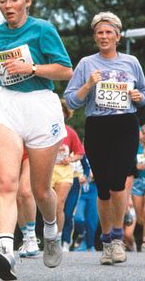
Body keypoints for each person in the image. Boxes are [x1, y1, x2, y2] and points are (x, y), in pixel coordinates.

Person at [0, 0, 73, 280]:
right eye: (2, 1)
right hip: (5, 104)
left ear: (27, 1)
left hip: (41, 105)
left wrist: (32, 67)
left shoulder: (43, 30)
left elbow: (66, 71)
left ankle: (51, 231)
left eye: (13, 0)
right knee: (7, 183)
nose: (8, 6)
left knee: (41, 190)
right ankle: (6, 251)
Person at [64, 11, 145, 265]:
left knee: (118, 181)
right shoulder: (86, 64)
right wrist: (88, 85)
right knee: (102, 186)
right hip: (97, 125)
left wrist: (138, 96)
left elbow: (144, 94)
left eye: (108, 32)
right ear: (95, 36)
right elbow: (71, 101)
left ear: (117, 36)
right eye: (99, 32)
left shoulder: (131, 62)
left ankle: (117, 238)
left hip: (124, 124)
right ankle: (106, 242)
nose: (104, 36)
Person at [53, 100, 84, 252]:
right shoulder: (44, 130)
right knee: (48, 207)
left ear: (66, 114)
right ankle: (49, 235)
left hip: (65, 172)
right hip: (48, 171)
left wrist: (70, 159)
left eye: (61, 111)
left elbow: (80, 153)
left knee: (59, 206)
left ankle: (59, 238)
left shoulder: (70, 132)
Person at [132, 124, 145, 252]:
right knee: (140, 217)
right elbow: (129, 164)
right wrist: (135, 167)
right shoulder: (136, 148)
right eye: (144, 133)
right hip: (137, 182)